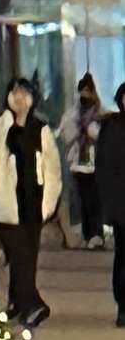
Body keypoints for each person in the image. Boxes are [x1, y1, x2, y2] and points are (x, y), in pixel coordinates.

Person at [0, 76, 64, 331]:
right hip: (5, 205)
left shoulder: (40, 130)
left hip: (34, 203)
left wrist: (50, 200)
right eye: (15, 93)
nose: (20, 99)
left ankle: (15, 304)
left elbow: (52, 167)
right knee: (20, 255)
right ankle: (32, 305)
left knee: (27, 258)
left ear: (33, 98)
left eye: (25, 94)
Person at [98, 83, 125, 328]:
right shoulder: (111, 127)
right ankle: (123, 306)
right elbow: (104, 169)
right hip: (120, 204)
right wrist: (107, 208)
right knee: (122, 255)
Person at [68, 72, 106, 248]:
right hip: (78, 164)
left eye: (87, 91)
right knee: (83, 202)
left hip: (94, 164)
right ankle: (88, 234)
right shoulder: (74, 114)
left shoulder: (99, 114)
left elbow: (101, 137)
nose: (84, 95)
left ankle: (97, 234)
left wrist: (89, 131)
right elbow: (67, 132)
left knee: (94, 201)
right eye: (82, 91)